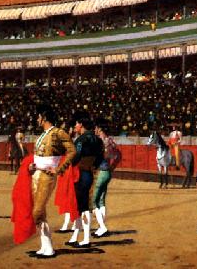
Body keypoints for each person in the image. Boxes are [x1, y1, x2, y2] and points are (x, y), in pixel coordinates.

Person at [11, 104, 75, 258]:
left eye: (38, 116)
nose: (37, 119)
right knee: (40, 213)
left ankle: (48, 247)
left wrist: (59, 169)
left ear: (44, 117)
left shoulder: (58, 133)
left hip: (47, 175)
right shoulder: (42, 134)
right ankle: (46, 247)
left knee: (37, 211)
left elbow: (72, 151)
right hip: (36, 174)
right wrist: (32, 166)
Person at [66, 112, 104, 248]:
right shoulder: (97, 140)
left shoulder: (81, 140)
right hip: (89, 173)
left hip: (80, 173)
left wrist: (66, 164)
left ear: (81, 125)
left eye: (76, 123)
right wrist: (93, 166)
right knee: (82, 206)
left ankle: (86, 239)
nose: (75, 126)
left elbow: (75, 156)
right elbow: (100, 157)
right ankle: (76, 236)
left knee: (82, 207)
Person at [92, 118, 122, 237]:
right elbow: (118, 155)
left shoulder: (99, 141)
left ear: (99, 129)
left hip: (100, 172)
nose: (94, 129)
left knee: (93, 201)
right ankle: (100, 228)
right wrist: (112, 167)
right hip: (107, 172)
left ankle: (103, 227)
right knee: (101, 200)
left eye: (96, 128)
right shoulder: (110, 141)